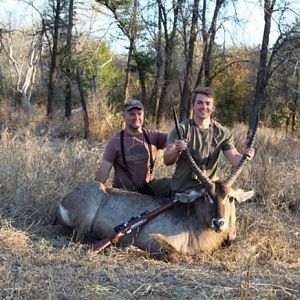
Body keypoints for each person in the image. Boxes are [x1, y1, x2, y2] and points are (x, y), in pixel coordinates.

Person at [163, 87, 255, 193]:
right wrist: (176, 150)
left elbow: (235, 159)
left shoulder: (223, 133)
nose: (204, 106)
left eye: (208, 103)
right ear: (193, 106)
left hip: (210, 191)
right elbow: (167, 160)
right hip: (183, 189)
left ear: (213, 108)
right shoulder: (181, 129)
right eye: (200, 103)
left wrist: (247, 155)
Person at [95, 99, 170, 197]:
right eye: (132, 114)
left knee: (177, 185)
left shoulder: (153, 136)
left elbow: (175, 137)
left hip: (148, 187)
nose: (136, 117)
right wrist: (95, 191)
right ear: (124, 116)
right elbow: (103, 172)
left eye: (139, 114)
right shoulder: (115, 141)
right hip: (124, 192)